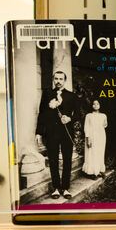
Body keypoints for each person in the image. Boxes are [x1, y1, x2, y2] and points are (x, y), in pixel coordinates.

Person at [36, 70, 79, 199]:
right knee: (53, 160)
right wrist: (39, 133)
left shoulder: (72, 96)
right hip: (51, 133)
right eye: (56, 79)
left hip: (66, 132)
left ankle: (65, 188)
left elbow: (77, 114)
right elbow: (42, 114)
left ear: (65, 81)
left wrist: (70, 119)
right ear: (53, 80)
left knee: (67, 160)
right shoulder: (47, 93)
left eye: (61, 79)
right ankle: (55, 188)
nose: (58, 81)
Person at [82, 100, 107, 178]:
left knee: (100, 152)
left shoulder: (103, 115)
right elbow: (86, 127)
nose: (95, 105)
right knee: (92, 153)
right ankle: (92, 172)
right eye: (94, 104)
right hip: (92, 136)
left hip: (101, 136)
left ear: (100, 105)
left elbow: (105, 125)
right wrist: (88, 138)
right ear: (91, 106)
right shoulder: (89, 116)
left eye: (97, 104)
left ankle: (99, 170)